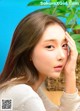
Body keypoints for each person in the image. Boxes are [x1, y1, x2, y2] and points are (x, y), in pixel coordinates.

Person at [0, 11, 80, 111]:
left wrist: (70, 72)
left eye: (64, 45)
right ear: (28, 52)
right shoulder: (24, 94)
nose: (62, 56)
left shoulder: (29, 87)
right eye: (50, 46)